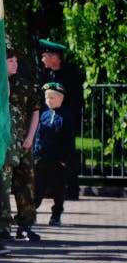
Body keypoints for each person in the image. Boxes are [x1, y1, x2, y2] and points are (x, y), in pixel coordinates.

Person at [38, 39, 83, 200]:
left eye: (45, 56)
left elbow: (76, 100)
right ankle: (52, 188)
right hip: (50, 120)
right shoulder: (46, 74)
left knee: (67, 154)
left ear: (54, 57)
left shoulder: (70, 74)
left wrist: (68, 117)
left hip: (65, 120)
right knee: (49, 153)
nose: (43, 60)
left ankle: (72, 189)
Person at [5, 43, 41, 241]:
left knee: (26, 183)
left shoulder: (24, 85)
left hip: (21, 144)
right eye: (10, 61)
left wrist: (30, 137)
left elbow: (36, 109)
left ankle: (25, 225)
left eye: (16, 60)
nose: (15, 64)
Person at [33, 82, 74, 226]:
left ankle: (56, 214)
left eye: (52, 98)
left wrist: (64, 158)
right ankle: (32, 212)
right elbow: (38, 135)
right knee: (37, 187)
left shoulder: (66, 117)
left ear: (61, 98)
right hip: (43, 158)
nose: (48, 101)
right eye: (47, 98)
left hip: (57, 160)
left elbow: (68, 140)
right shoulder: (44, 115)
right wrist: (36, 152)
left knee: (58, 189)